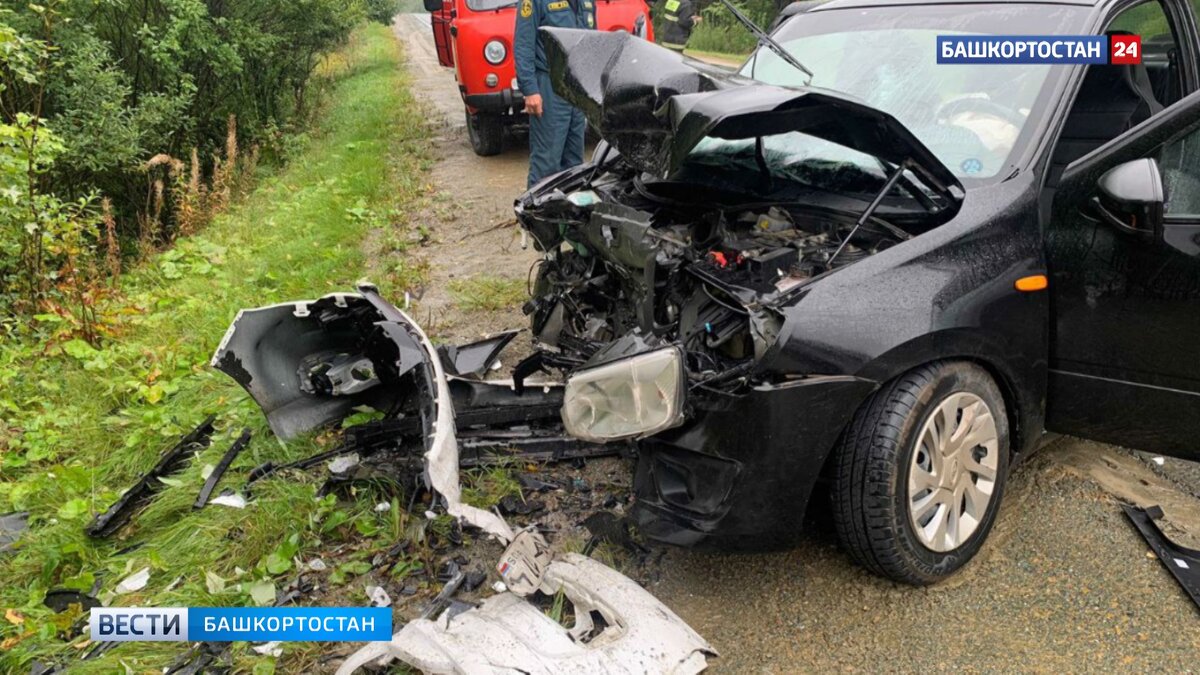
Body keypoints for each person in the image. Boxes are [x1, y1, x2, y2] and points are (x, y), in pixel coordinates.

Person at [514, 0, 596, 188]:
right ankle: (535, 213)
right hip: (550, 86)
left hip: (576, 87)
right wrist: (530, 90)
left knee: (575, 162)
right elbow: (523, 45)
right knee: (547, 161)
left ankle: (567, 215)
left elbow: (592, 41)